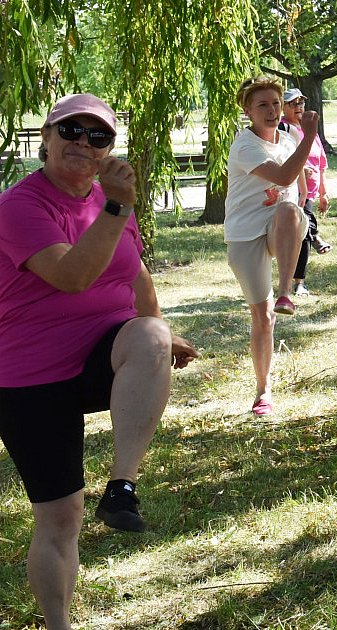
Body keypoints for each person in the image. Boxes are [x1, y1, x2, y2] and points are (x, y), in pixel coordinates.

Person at [0, 93, 198, 630]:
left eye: (99, 136)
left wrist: (161, 336)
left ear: (110, 146)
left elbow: (136, 277)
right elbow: (73, 277)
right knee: (60, 517)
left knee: (151, 333)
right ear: (45, 137)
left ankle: (122, 486)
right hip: (29, 378)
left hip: (97, 357)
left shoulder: (110, 202)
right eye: (71, 131)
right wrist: (116, 205)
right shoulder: (21, 205)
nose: (83, 143)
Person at [225, 76, 315, 415]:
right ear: (248, 110)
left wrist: (308, 201)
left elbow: (298, 184)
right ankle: (263, 390)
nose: (272, 110)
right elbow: (283, 177)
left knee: (289, 210)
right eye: (262, 105)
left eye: (276, 104)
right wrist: (310, 137)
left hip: (278, 224)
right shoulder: (245, 145)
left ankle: (286, 292)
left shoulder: (289, 139)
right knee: (262, 318)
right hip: (244, 233)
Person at [280, 88, 331, 297]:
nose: (299, 107)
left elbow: (321, 163)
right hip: (290, 189)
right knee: (302, 233)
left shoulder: (309, 129)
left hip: (308, 190)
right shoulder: (281, 128)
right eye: (293, 103)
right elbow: (280, 157)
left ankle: (299, 281)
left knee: (302, 237)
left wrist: (323, 192)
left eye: (301, 103)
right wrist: (299, 167)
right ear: (283, 107)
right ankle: (316, 236)